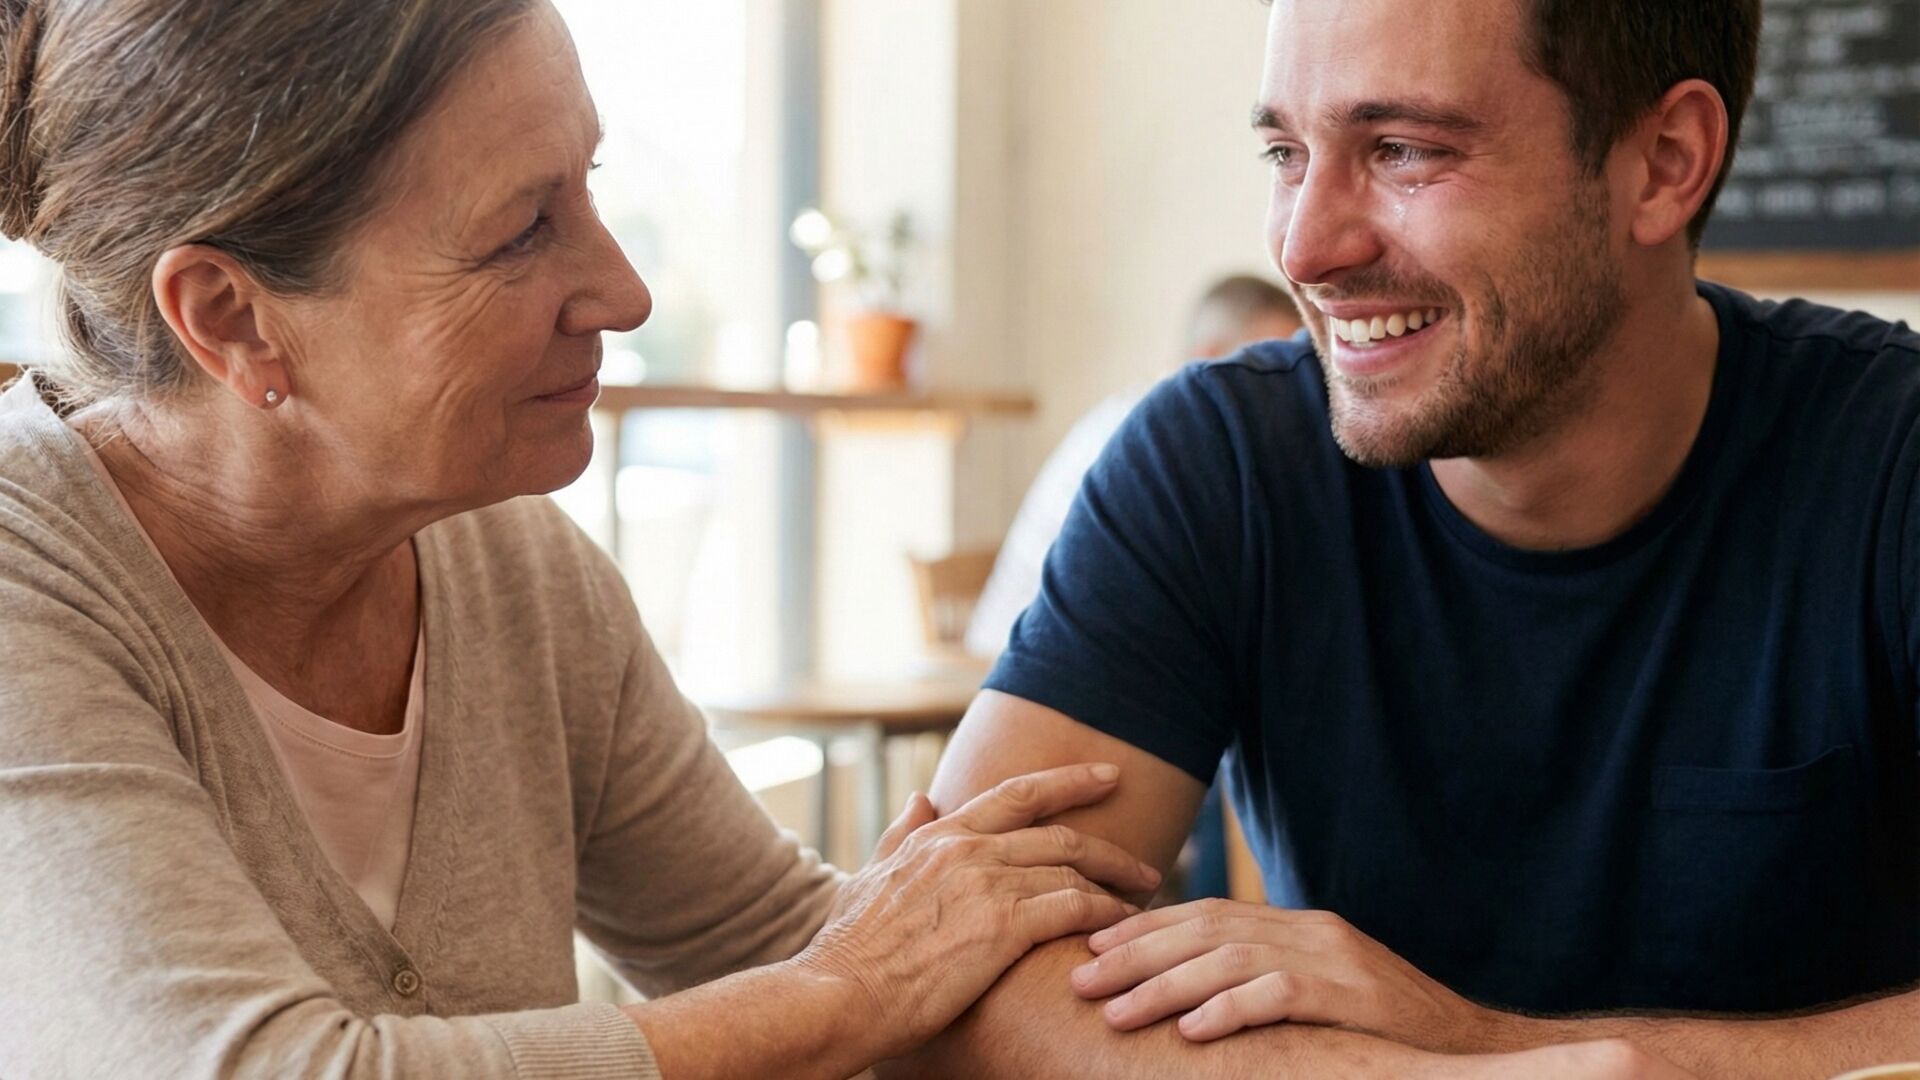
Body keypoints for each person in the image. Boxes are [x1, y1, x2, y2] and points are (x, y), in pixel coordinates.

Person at [0, 2, 1168, 1077]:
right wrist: (850, 984)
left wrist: (1298, 1015)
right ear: (230, 318)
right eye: (521, 231)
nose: (623, 290)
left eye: (589, 187)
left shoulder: (518, 571)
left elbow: (777, 943)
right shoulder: (26, 584)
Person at [888, 0, 1920, 1077]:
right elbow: (936, 996)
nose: (1305, 246)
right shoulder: (1220, 462)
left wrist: (1481, 1044)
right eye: (1286, 151)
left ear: (1664, 163)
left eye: (1402, 152)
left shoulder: (1891, 459)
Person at [966, 273, 1302, 904]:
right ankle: (1226, 928)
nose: (1291, 380)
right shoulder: (1167, 437)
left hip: (1113, 668)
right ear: (1209, 357)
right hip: (1023, 680)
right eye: (1272, 355)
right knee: (1245, 761)